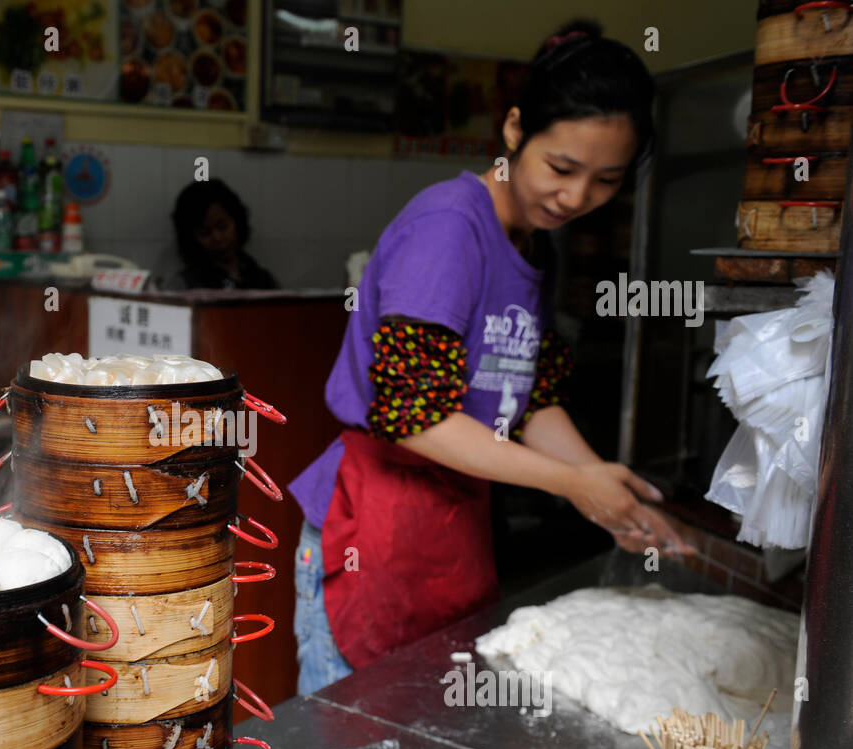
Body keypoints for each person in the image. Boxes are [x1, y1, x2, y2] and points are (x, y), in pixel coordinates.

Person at [287, 20, 696, 696]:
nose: (576, 198)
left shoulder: (535, 243)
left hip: (453, 529)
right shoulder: (450, 228)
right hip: (376, 523)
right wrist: (570, 485)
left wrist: (601, 485)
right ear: (513, 130)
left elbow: (530, 398)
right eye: (561, 168)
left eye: (606, 180)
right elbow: (413, 415)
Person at [162, 179, 278, 290]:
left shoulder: (261, 279)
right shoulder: (184, 285)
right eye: (205, 233)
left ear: (237, 222)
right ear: (191, 239)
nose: (217, 238)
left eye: (223, 227)